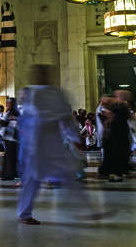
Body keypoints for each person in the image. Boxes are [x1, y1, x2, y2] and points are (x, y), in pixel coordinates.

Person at [17, 64, 82, 225]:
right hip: (35, 144)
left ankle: (86, 209)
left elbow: (67, 118)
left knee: (69, 173)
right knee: (33, 179)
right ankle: (24, 213)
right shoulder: (29, 92)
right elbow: (28, 119)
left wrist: (75, 137)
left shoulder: (56, 93)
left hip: (53, 143)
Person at [98, 91, 132, 181]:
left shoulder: (121, 107)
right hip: (114, 137)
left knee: (117, 155)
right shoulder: (117, 107)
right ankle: (114, 173)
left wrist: (109, 116)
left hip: (118, 136)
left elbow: (119, 120)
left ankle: (117, 173)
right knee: (113, 155)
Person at [0, 98, 20, 180]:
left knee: (10, 157)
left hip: (12, 138)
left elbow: (14, 124)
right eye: (7, 103)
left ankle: (9, 174)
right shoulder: (9, 112)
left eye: (9, 103)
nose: (7, 104)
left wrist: (3, 122)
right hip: (8, 138)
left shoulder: (15, 113)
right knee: (9, 156)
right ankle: (12, 173)